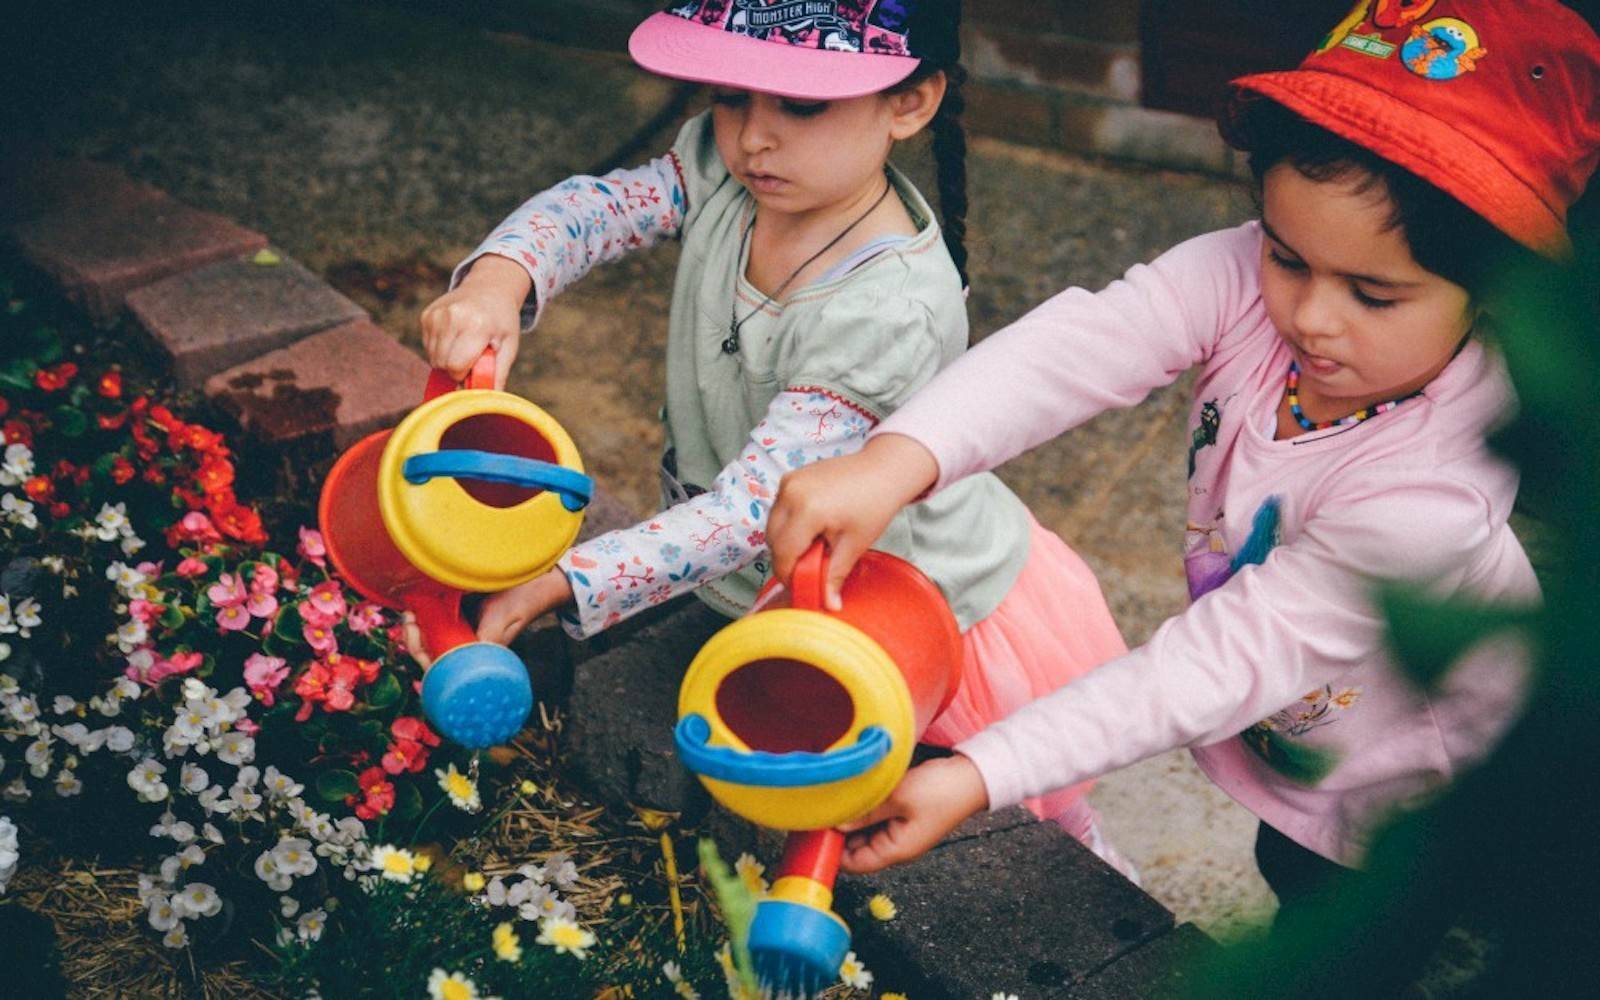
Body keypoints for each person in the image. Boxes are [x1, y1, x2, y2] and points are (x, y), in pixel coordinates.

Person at [765, 0, 1600, 915]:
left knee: (1347, 915)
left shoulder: (1428, 495)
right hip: (1306, 724)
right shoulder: (1250, 276)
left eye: (1373, 294)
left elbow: (1214, 661)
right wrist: (897, 461)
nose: (1312, 316)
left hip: (1416, 777)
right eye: (1289, 257)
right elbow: (1083, 345)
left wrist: (984, 769)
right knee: (1291, 858)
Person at [416, 1, 1134, 870]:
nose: (754, 136)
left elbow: (754, 508)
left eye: (801, 105)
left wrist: (563, 582)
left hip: (905, 597)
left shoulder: (887, 308)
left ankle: (1089, 863)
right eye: (731, 93)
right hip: (778, 575)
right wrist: (503, 277)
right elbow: (603, 207)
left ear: (909, 103)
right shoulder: (729, 168)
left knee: (967, 802)